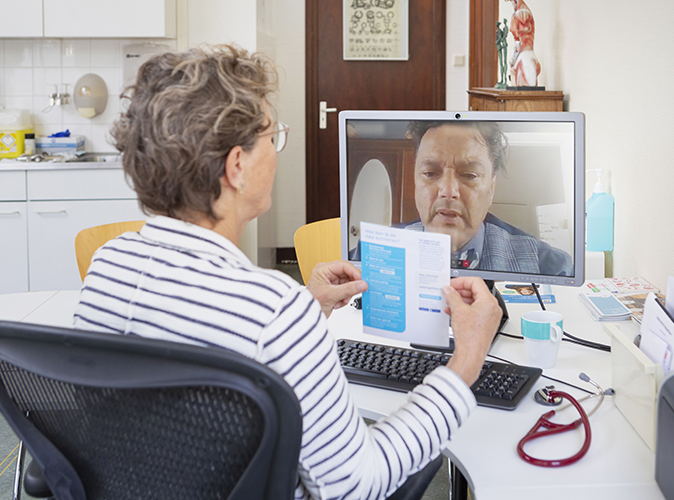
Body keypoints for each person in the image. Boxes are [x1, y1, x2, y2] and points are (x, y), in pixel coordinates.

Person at [73, 45, 501, 500]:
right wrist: (466, 362)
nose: (277, 154)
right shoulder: (274, 308)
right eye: (272, 137)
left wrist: (307, 312)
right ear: (237, 166)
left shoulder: (110, 265)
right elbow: (356, 485)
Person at [404, 120, 572, 275]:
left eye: (469, 175)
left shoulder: (550, 267)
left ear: (491, 188)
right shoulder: (382, 253)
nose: (448, 191)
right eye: (430, 173)